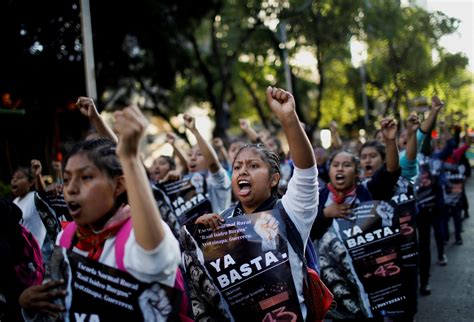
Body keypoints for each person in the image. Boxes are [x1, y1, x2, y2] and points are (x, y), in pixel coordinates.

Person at [19, 105, 181, 319]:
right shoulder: (66, 238)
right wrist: (27, 304)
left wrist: (130, 158)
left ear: (120, 185)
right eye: (66, 179)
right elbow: (58, 307)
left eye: (86, 177)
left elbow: (155, 256)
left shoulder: (140, 237)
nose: (71, 189)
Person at [195, 86, 318, 320]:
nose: (243, 171)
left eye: (253, 166)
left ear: (274, 179)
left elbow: (306, 172)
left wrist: (289, 118)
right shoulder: (224, 221)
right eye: (238, 166)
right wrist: (204, 240)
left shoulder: (290, 213)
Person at [310, 118, 400, 320]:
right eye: (335, 165)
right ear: (329, 170)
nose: (340, 169)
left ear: (357, 172)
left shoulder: (369, 190)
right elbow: (307, 233)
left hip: (369, 273)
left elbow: (391, 173)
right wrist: (325, 213)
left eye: (346, 165)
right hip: (334, 281)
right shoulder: (320, 198)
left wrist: (390, 141)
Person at [183, 112, 231, 214]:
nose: (193, 158)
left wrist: (194, 131)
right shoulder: (185, 184)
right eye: (190, 155)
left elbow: (213, 164)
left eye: (199, 154)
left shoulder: (218, 180)